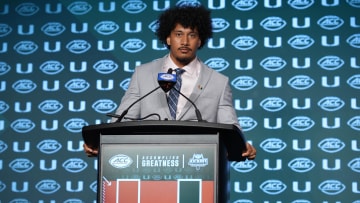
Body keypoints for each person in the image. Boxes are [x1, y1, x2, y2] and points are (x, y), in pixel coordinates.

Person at [83, 5, 256, 160]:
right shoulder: (143, 74)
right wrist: (102, 143)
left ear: (200, 41)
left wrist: (241, 145)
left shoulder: (219, 82)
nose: (185, 41)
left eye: (192, 35)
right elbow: (122, 121)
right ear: (168, 38)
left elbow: (230, 126)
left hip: (199, 164)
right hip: (148, 162)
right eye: (179, 34)